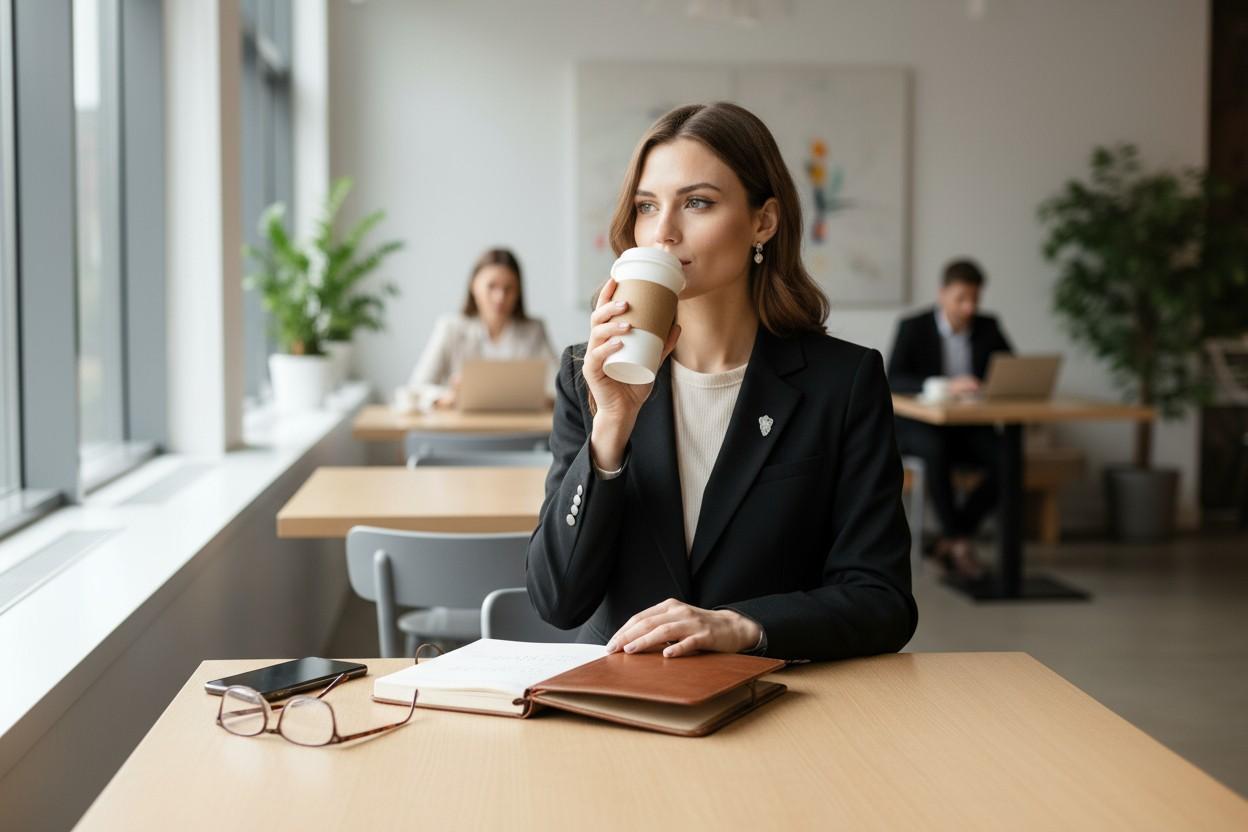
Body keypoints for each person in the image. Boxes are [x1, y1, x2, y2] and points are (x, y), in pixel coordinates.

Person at [525, 102, 917, 662]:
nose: (663, 232)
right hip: (626, 703)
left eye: (698, 203)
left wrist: (744, 625)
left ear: (764, 221)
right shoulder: (585, 374)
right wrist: (610, 430)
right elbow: (558, 600)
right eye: (646, 206)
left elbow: (883, 601)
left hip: (779, 705)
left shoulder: (844, 382)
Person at [886, 259, 1013, 579]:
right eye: (961, 299)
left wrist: (987, 386)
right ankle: (959, 541)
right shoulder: (913, 326)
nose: (969, 307)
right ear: (942, 294)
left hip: (968, 426)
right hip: (919, 426)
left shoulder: (988, 326)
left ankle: (954, 537)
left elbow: (1008, 371)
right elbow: (894, 379)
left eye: (974, 299)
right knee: (935, 449)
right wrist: (944, 385)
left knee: (1009, 456)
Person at [407, 247, 557, 408]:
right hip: (462, 429)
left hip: (520, 428)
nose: (500, 297)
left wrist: (544, 398)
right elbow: (417, 387)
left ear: (518, 291)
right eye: (491, 286)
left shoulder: (534, 330)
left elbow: (559, 386)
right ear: (474, 286)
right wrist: (445, 397)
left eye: (509, 289)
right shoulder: (450, 328)